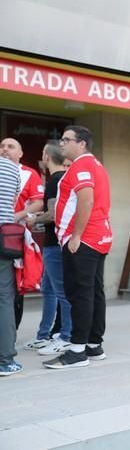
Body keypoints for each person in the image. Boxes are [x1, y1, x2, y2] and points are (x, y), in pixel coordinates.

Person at [43, 126, 112, 369]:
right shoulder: (96, 165)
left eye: (66, 139)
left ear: (81, 143)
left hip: (84, 240)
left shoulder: (82, 165)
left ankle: (77, 351)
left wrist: (76, 236)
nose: (61, 144)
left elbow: (87, 199)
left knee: (79, 293)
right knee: (94, 292)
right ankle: (93, 346)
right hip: (97, 237)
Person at [25, 142, 72, 355]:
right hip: (56, 243)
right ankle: (44, 335)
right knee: (49, 290)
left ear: (46, 156)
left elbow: (53, 214)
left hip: (55, 244)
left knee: (60, 292)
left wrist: (34, 219)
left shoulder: (55, 181)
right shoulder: (65, 178)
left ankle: (66, 336)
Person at [1, 137, 44, 330]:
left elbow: (39, 202)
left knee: (13, 286)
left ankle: (11, 331)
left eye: (11, 147)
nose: (5, 149)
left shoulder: (29, 173)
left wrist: (14, 216)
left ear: (20, 153)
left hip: (13, 236)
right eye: (2, 146)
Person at [0, 155, 21, 376]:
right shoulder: (10, 167)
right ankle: (5, 361)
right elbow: (14, 200)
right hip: (3, 237)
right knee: (4, 299)